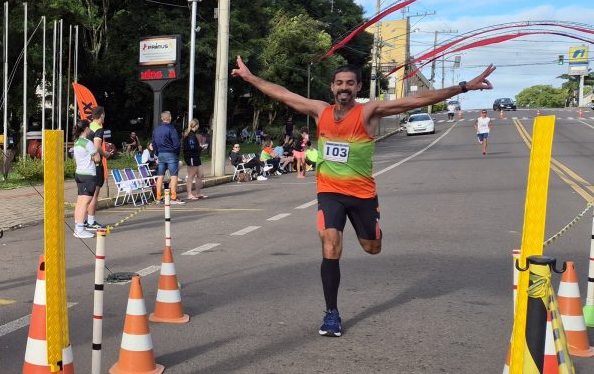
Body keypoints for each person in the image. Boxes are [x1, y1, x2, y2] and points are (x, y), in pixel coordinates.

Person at [231, 56, 495, 337]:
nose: (344, 88)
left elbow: (415, 101)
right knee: (331, 245)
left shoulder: (370, 112)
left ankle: (374, 226)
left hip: (362, 195)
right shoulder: (320, 111)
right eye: (339, 83)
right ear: (332, 87)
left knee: (372, 247)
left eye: (350, 83)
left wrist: (463, 87)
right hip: (330, 192)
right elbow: (283, 93)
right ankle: (331, 313)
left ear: (357, 87)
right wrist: (249, 77)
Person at [72, 119, 100, 238]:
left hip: (79, 174)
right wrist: (93, 158)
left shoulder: (77, 142)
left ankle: (77, 227)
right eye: (89, 127)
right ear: (86, 129)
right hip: (89, 174)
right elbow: (97, 158)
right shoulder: (88, 142)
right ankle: (80, 230)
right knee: (85, 203)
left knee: (80, 202)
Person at [151, 110, 183, 204]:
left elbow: (153, 143)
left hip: (161, 154)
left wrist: (158, 152)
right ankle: (173, 197)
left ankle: (158, 197)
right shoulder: (172, 129)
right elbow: (176, 144)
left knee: (160, 175)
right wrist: (176, 154)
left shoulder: (156, 129)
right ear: (170, 118)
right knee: (174, 175)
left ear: (162, 119)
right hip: (171, 154)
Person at [85, 106, 109, 230]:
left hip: (85, 164)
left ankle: (83, 221)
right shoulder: (99, 129)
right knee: (95, 194)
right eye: (104, 115)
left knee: (85, 195)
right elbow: (97, 146)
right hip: (96, 164)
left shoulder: (88, 127)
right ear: (101, 115)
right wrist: (105, 154)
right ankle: (91, 221)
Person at [182, 119, 208, 200]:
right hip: (191, 157)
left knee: (200, 174)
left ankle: (198, 193)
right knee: (191, 175)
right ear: (196, 125)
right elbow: (192, 147)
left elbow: (194, 146)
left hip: (196, 156)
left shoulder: (193, 135)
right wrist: (201, 148)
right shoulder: (190, 135)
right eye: (198, 125)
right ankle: (189, 194)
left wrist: (200, 147)